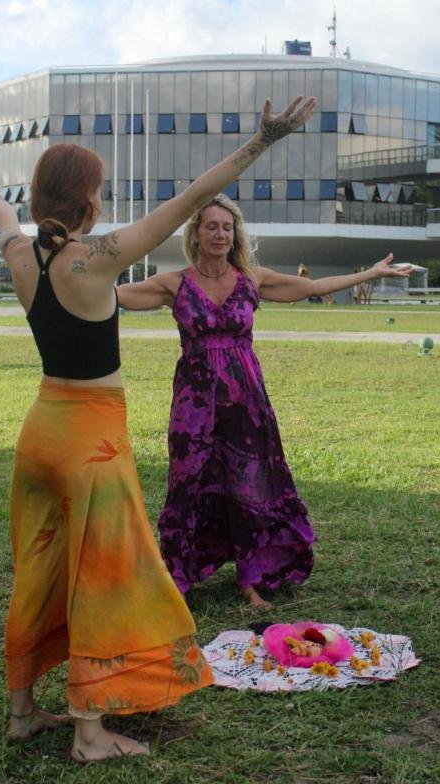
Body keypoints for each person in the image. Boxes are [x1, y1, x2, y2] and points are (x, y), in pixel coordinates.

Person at [0, 95, 317, 761]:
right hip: (90, 445)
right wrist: (264, 140)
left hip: (40, 434)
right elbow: (194, 196)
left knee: (39, 570)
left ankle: (23, 712)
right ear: (89, 201)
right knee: (104, 577)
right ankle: (89, 732)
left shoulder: (22, 255)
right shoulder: (95, 258)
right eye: (101, 190)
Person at [116, 199, 413, 608]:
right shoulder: (175, 284)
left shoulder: (251, 279)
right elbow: (113, 296)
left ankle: (250, 579)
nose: (221, 234)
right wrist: (68, 277)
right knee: (188, 482)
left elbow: (312, 288)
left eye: (227, 227)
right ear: (196, 234)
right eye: (212, 226)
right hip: (194, 403)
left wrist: (371, 273)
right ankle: (178, 575)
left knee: (248, 485)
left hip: (246, 401)